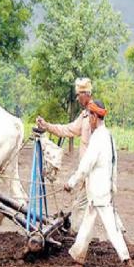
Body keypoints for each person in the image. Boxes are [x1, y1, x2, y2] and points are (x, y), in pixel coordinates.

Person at [63, 100, 134, 267]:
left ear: (95, 116)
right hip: (100, 192)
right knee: (86, 228)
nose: (89, 121)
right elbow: (114, 163)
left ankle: (128, 264)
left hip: (99, 194)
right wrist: (113, 186)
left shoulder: (98, 138)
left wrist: (71, 183)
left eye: (90, 117)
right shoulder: (108, 136)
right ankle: (78, 264)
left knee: (112, 229)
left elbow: (86, 165)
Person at [36, 77, 93, 233]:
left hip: (92, 172)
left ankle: (76, 240)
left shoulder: (93, 117)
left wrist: (73, 181)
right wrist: (47, 126)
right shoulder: (85, 115)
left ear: (86, 94)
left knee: (82, 208)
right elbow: (68, 130)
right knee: (99, 208)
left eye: (79, 95)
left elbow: (93, 151)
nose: (77, 98)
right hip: (87, 173)